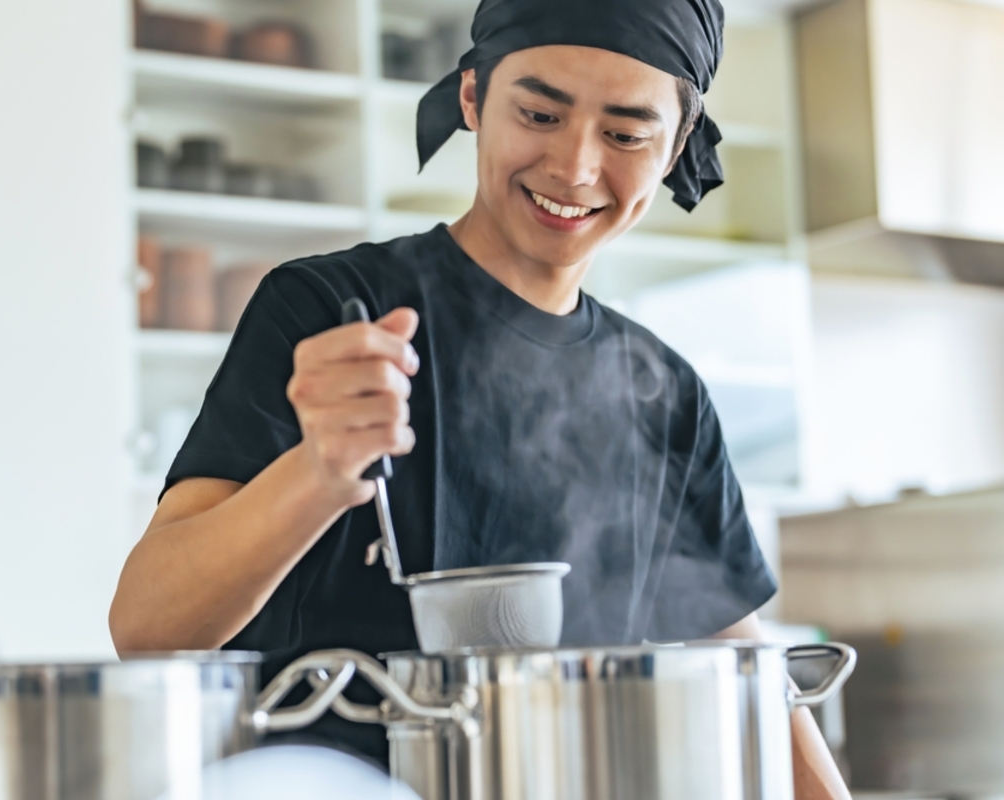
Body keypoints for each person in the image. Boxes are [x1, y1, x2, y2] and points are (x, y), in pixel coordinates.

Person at [111, 0, 851, 796]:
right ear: (472, 99)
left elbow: (747, 675)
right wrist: (322, 472)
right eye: (539, 112)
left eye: (627, 134)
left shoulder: (663, 393)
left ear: (675, 146)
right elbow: (149, 628)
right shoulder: (328, 309)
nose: (574, 167)